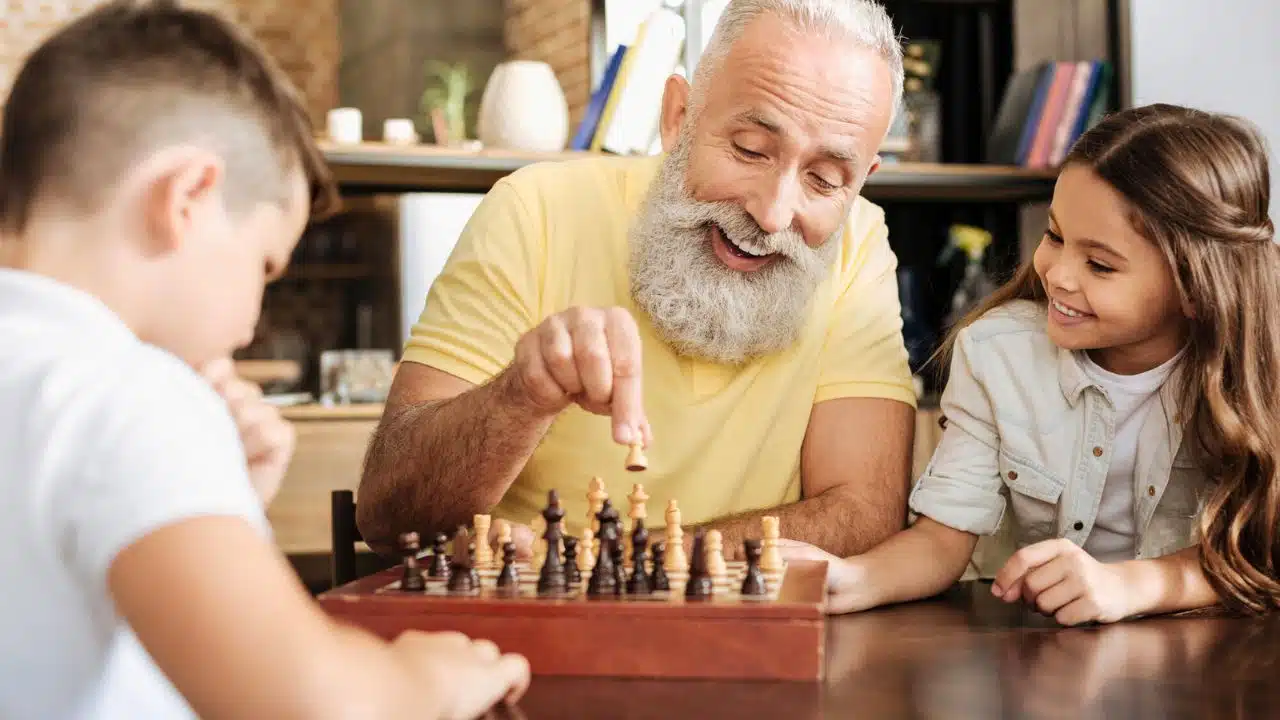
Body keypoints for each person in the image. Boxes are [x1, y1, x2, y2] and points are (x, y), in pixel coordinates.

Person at [0, 2, 528, 718]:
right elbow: (314, 707)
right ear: (187, 196)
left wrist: (227, 501)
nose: (252, 324)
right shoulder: (124, 392)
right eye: (265, 265)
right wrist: (427, 674)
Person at [358, 0, 918, 561]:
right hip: (523, 635)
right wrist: (520, 396)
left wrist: (617, 565)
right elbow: (388, 515)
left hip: (752, 635)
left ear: (861, 183)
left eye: (824, 180)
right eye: (750, 149)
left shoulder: (859, 242)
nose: (773, 214)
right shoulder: (536, 209)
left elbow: (865, 511)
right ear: (678, 116)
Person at [779, 103, 1280, 624]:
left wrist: (1138, 584)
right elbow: (941, 539)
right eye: (1055, 235)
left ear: (1197, 288)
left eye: (1100, 265)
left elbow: (1263, 551)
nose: (1057, 274)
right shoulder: (997, 353)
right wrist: (856, 579)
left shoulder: (1261, 368)